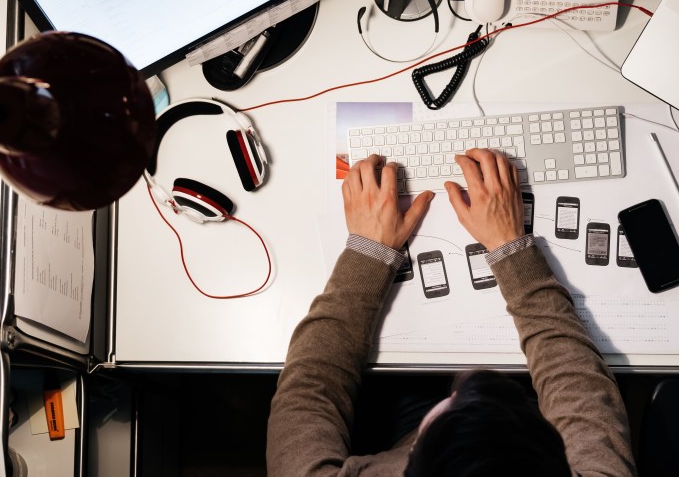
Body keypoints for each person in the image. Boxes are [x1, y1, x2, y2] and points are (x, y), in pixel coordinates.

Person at [267, 147, 637, 477]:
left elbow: (309, 390)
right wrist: (510, 247)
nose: (465, 381)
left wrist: (369, 252)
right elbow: (575, 384)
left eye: (448, 409)